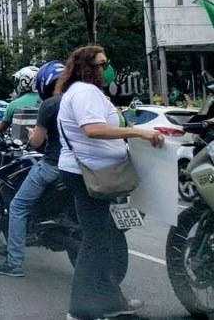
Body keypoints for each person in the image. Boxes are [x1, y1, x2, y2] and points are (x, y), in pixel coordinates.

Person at [56, 46, 164, 320]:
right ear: (86, 67)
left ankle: (113, 302)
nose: (106, 69)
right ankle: (79, 309)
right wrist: (137, 132)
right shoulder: (84, 93)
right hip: (88, 175)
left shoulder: (86, 93)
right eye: (101, 64)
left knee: (101, 239)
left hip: (94, 172)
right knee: (94, 240)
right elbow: (92, 129)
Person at [0, 60, 65, 278]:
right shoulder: (82, 100)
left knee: (17, 207)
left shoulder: (49, 104)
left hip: (53, 164)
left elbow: (36, 142)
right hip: (83, 166)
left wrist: (33, 135)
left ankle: (14, 263)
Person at [0, 66, 40, 137]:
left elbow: (0, 128)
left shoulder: (14, 104)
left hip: (22, 144)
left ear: (24, 82)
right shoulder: (50, 101)